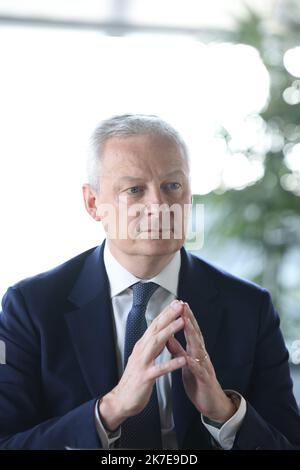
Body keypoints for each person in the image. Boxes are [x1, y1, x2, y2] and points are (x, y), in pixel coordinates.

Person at [0, 114, 299, 450]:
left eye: (172, 186)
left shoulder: (249, 307)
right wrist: (110, 410)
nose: (159, 206)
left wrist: (225, 413)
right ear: (93, 203)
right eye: (135, 189)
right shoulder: (31, 307)